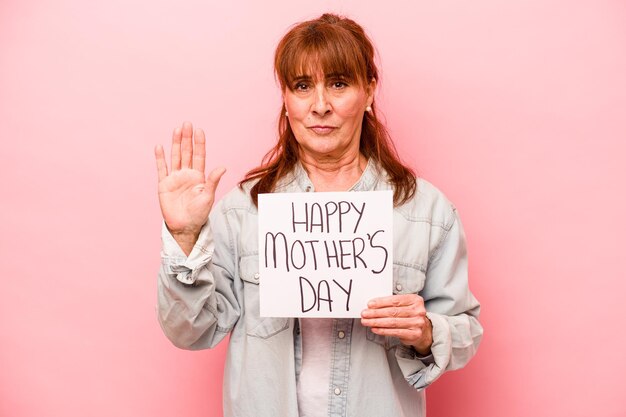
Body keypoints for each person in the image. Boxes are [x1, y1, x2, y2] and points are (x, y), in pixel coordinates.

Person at [154, 13, 482, 417]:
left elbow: (465, 332)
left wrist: (427, 332)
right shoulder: (242, 211)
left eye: (339, 84)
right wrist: (184, 236)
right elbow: (191, 331)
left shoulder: (427, 212)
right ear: (287, 100)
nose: (320, 106)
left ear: (369, 91)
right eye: (303, 86)